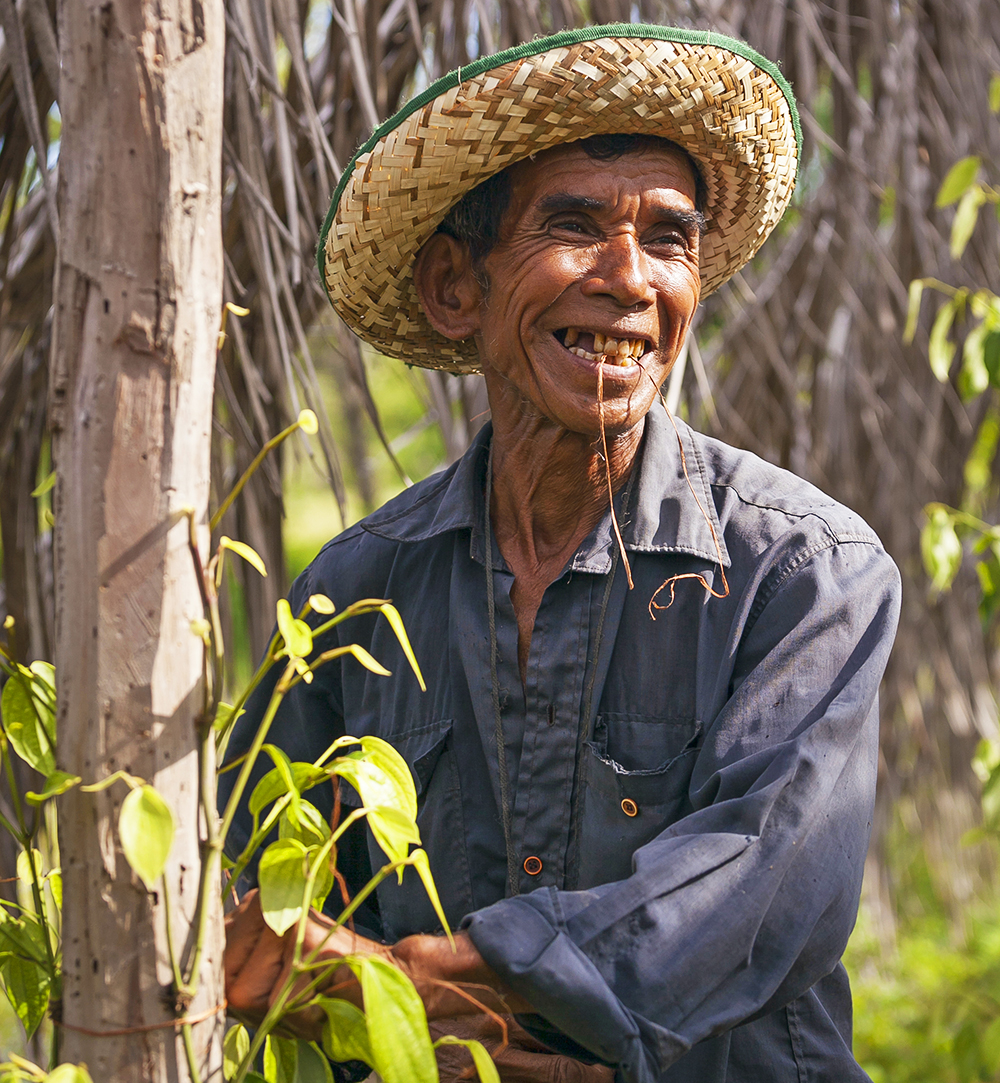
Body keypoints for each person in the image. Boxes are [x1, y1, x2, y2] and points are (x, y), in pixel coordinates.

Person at [221, 26, 901, 1083]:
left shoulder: (802, 572)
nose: (630, 278)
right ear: (456, 287)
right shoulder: (354, 593)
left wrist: (412, 988)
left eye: (668, 239)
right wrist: (397, 1011)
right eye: (574, 226)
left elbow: (762, 890)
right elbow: (243, 914)